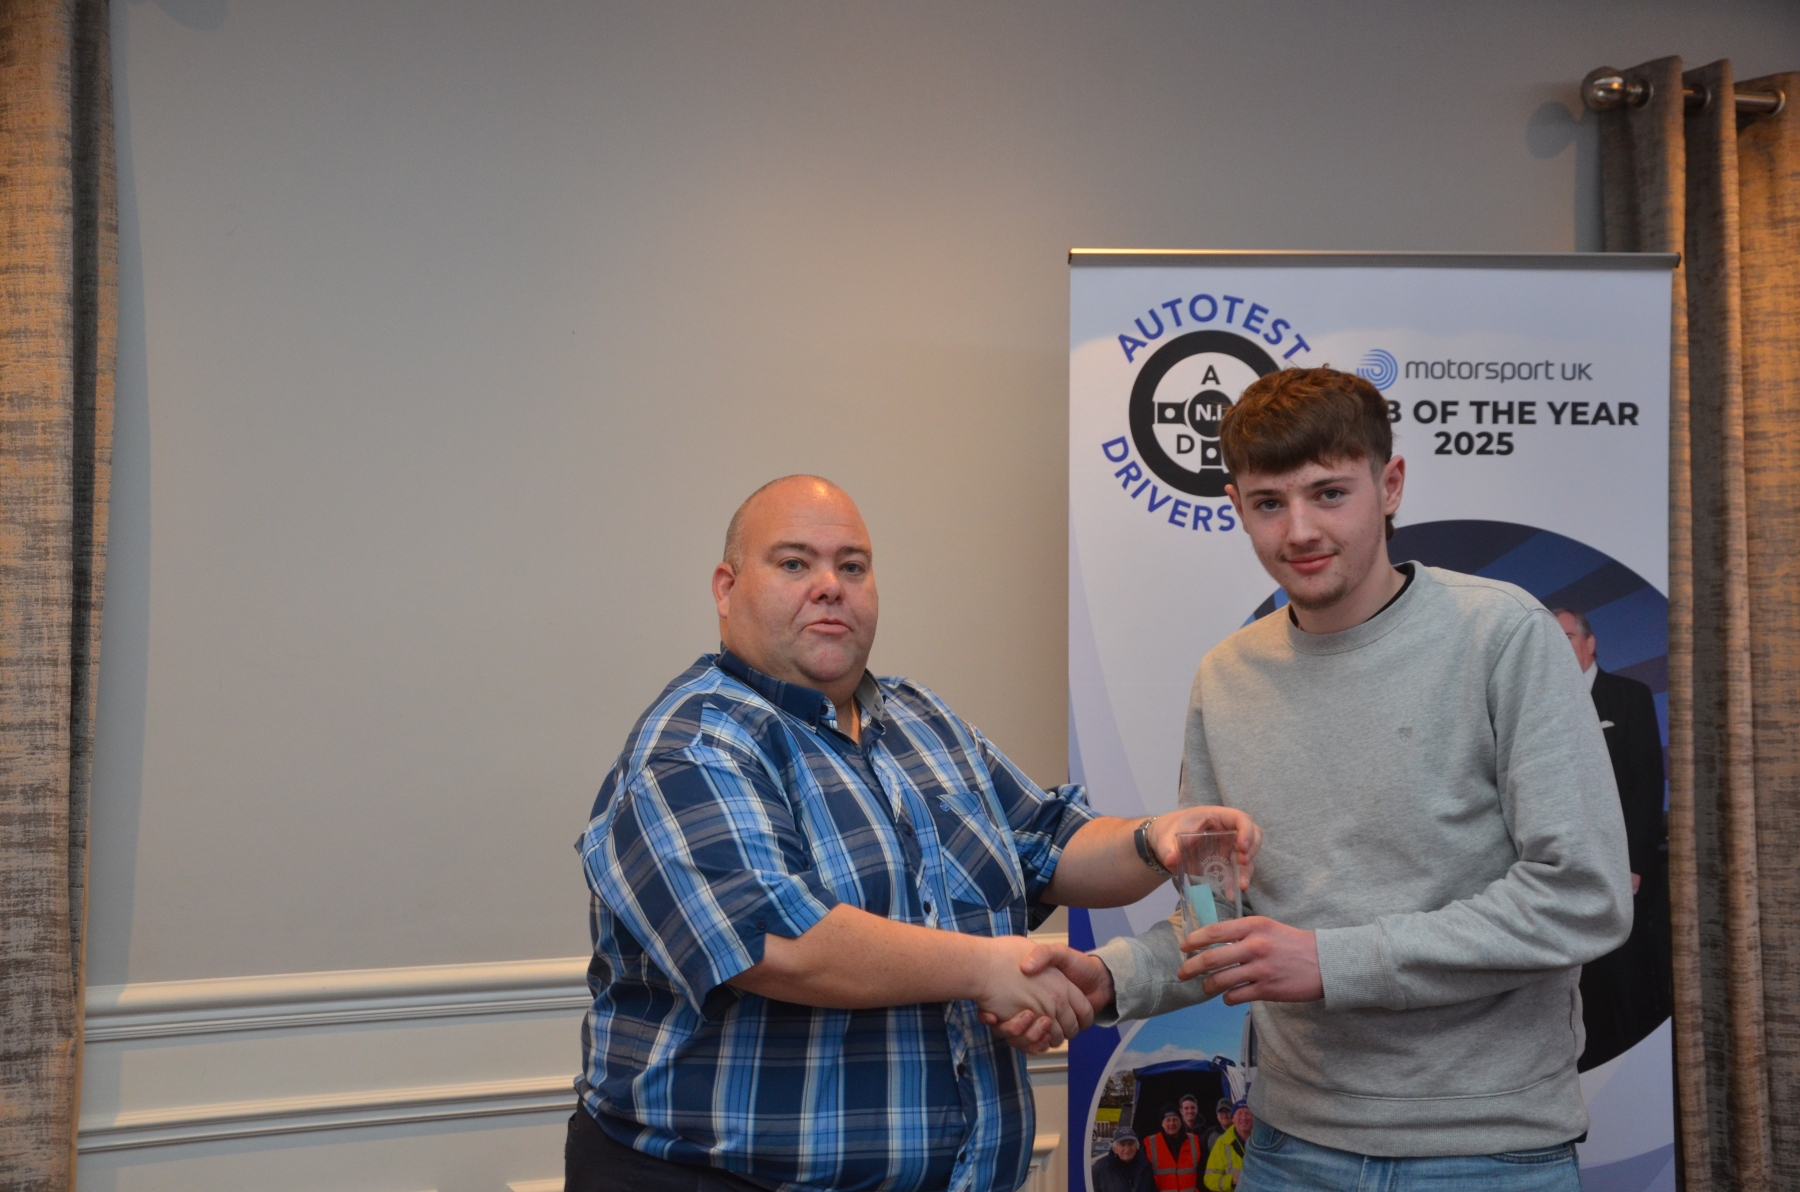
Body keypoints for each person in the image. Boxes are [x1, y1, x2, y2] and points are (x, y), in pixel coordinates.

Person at [1007, 369, 1632, 1189]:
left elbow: (1583, 895)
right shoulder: (1226, 676)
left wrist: (1333, 961)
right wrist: (1110, 978)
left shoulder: (1504, 636)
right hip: (1289, 1147)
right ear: (1236, 506)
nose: (1299, 530)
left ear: (1390, 485)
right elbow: (1220, 920)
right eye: (1269, 503)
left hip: (1486, 1151)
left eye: (1329, 493)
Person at [568, 475, 1260, 1192]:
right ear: (726, 587)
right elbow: (777, 943)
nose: (830, 586)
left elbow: (1052, 844)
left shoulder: (922, 719)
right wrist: (988, 968)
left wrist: (1157, 838)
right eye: (795, 563)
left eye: (853, 566)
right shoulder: (693, 746)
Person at [1553, 608, 1672, 1068]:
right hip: (1562, 874)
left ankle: (1640, 1077)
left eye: (1565, 636)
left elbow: (1647, 786)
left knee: (1629, 983)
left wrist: (1635, 864)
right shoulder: (1537, 704)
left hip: (1621, 873)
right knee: (1582, 992)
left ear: (1590, 643)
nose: (1556, 646)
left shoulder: (1628, 696)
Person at [1144, 1104, 1203, 1192]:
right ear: (1162, 1123)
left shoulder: (1194, 1140)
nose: (1172, 1123)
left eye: (1175, 1119)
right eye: (1168, 1120)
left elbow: (1202, 1171)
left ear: (1181, 1122)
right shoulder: (1150, 1143)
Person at [1202, 1103, 1253, 1192]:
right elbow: (1209, 1179)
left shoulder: (1264, 1142)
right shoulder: (1222, 1143)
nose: (1243, 1117)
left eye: (1247, 1113)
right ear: (1233, 1118)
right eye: (1239, 1114)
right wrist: (1232, 1180)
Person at [1092, 1128, 1157, 1192]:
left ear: (1137, 1146)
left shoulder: (1145, 1166)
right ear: (1114, 1148)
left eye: (1130, 1144)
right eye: (1122, 1145)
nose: (1127, 1149)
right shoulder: (1100, 1169)